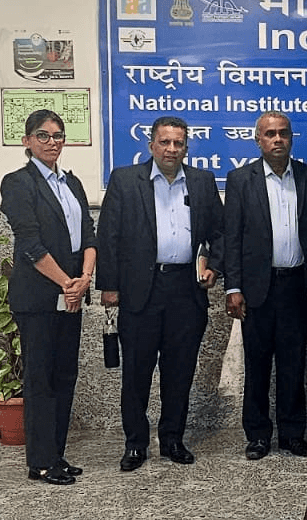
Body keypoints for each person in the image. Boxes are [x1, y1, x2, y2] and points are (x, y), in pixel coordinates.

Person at [96, 115, 224, 472]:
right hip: (141, 291)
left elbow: (220, 233)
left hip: (186, 290)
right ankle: (135, 443)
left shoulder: (202, 182)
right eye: (164, 142)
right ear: (151, 145)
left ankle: (172, 439)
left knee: (179, 371)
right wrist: (109, 286)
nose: (171, 149)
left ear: (186, 147)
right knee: (136, 373)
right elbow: (108, 234)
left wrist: (214, 266)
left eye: (178, 143)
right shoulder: (125, 180)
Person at [223, 111, 307, 460]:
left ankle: (292, 434)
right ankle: (258, 435)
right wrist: (233, 287)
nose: (277, 139)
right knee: (257, 366)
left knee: (293, 365)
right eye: (270, 134)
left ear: (291, 138)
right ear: (258, 140)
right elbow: (233, 238)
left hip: (297, 287)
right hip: (257, 288)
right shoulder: (241, 179)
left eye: (283, 133)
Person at [0, 109, 96, 485]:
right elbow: (30, 244)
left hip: (71, 294)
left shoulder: (71, 183)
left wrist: (84, 279)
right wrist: (67, 283)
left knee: (64, 375)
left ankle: (56, 454)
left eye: (58, 136)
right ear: (27, 141)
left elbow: (88, 233)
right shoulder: (18, 183)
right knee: (40, 380)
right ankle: (39, 462)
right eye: (43, 135)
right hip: (39, 298)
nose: (52, 142)